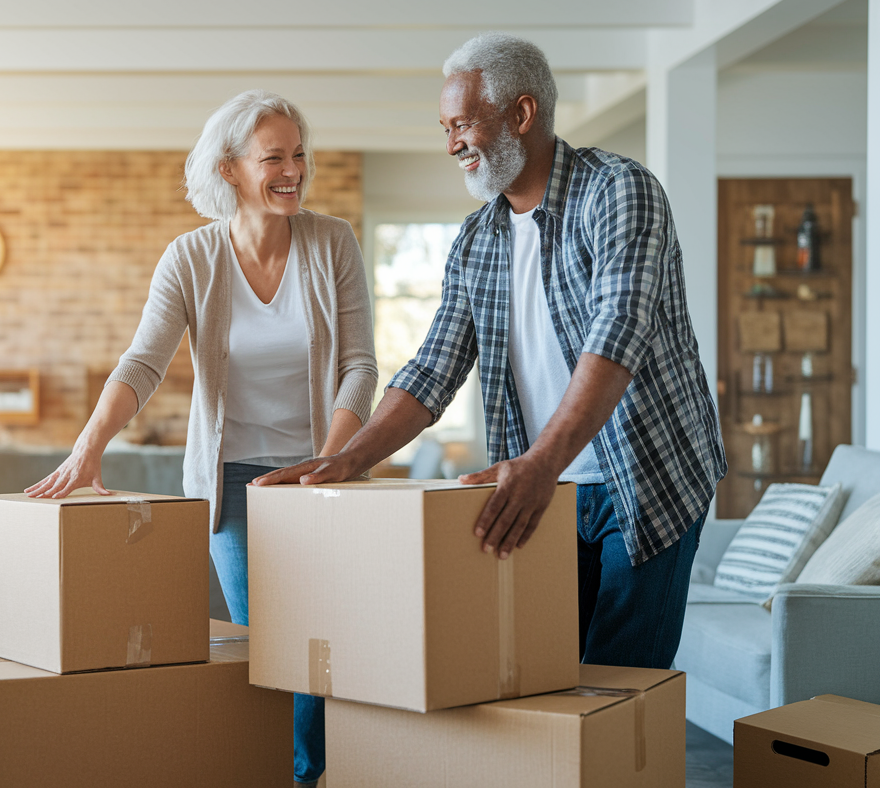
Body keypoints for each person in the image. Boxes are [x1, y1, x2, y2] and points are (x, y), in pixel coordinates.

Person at [256, 34, 726, 671]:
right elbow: (434, 367)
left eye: (462, 124)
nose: (451, 143)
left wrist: (538, 462)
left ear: (521, 115)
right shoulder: (478, 238)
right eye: (445, 128)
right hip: (545, 487)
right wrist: (346, 459)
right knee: (547, 676)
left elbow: (619, 335)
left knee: (618, 688)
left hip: (644, 475)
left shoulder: (618, 192)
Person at [26, 89, 377, 787]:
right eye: (273, 157)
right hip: (236, 483)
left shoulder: (332, 242)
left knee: (325, 640)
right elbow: (143, 363)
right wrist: (88, 446)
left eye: (299, 154)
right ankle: (285, 769)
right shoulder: (191, 259)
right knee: (271, 644)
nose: (293, 170)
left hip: (323, 476)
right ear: (230, 170)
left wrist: (334, 460)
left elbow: (359, 366)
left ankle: (315, 771)